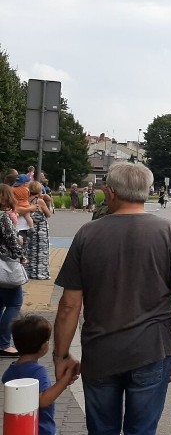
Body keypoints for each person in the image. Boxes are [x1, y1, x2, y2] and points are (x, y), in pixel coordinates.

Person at [53, 162, 171, 434]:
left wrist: (61, 356)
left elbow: (69, 306)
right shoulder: (168, 233)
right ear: (147, 190)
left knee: (102, 430)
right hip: (151, 352)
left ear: (109, 192)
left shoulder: (88, 234)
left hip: (100, 354)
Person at [2, 314, 80, 435]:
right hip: (39, 428)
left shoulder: (11, 369)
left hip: (18, 427)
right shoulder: (37, 371)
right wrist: (65, 380)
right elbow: (43, 400)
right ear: (44, 346)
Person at [0, 183, 25, 357]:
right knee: (14, 303)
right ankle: (4, 344)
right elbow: (10, 240)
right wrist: (21, 255)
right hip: (5, 265)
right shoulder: (2, 217)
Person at [24, 181, 52, 280]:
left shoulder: (26, 200)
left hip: (29, 228)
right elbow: (48, 214)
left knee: (30, 250)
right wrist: (49, 201)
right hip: (41, 229)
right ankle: (40, 273)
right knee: (41, 251)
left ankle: (29, 272)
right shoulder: (39, 201)